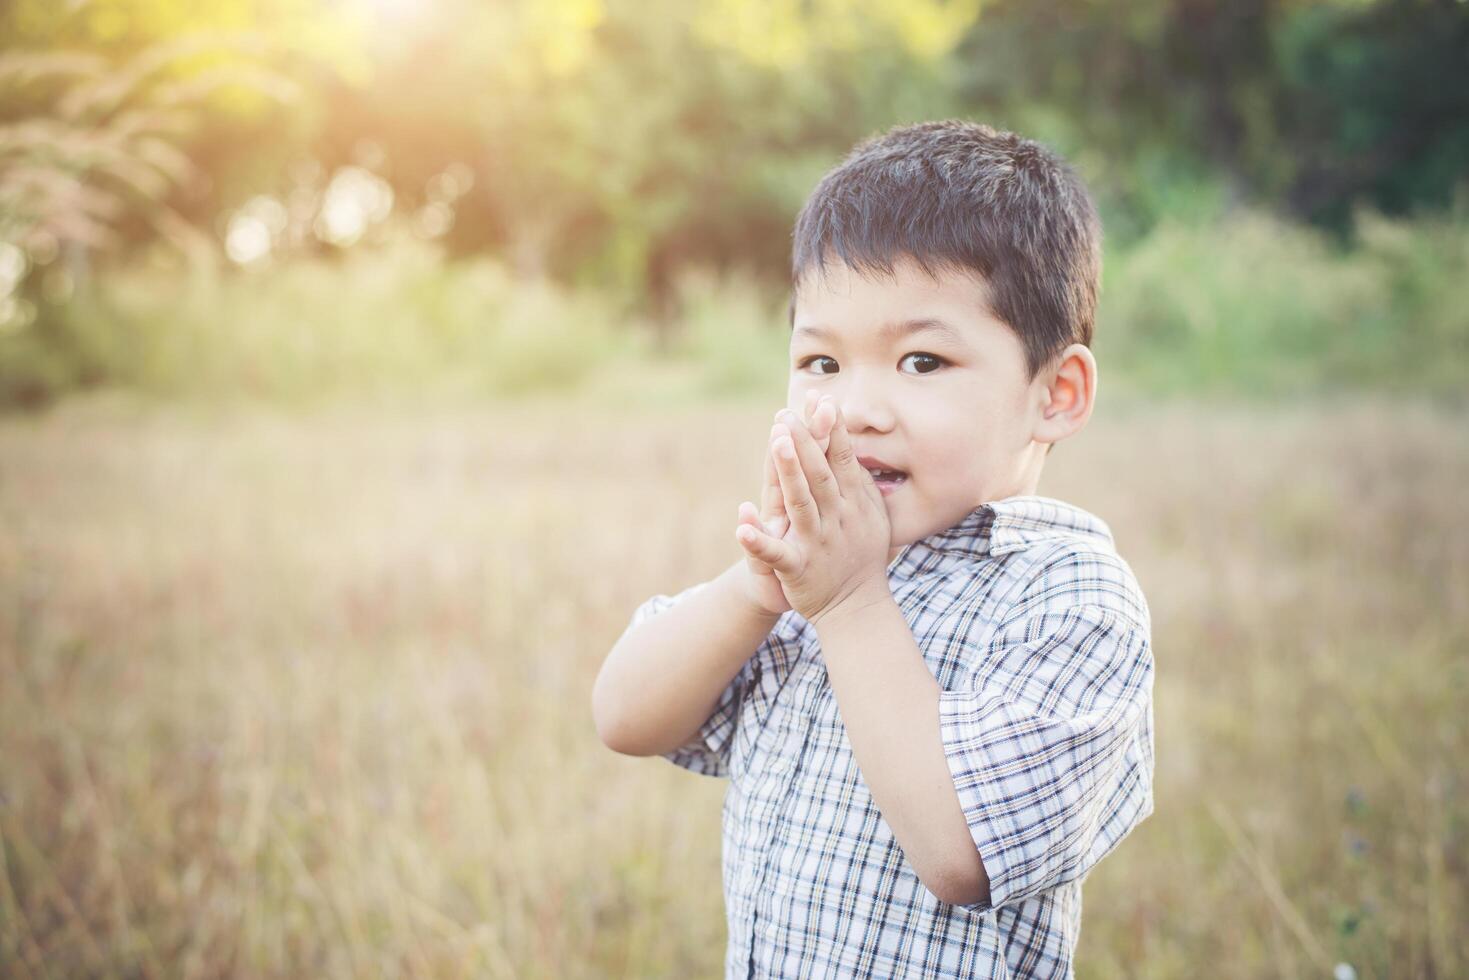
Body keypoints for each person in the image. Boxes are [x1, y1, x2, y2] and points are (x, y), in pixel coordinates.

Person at [592, 119, 1155, 979]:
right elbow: (625, 715)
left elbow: (961, 853)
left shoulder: (1070, 597)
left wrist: (850, 602)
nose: (857, 408)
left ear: (1056, 393)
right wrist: (754, 588)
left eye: (921, 362)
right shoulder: (808, 574)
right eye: (820, 362)